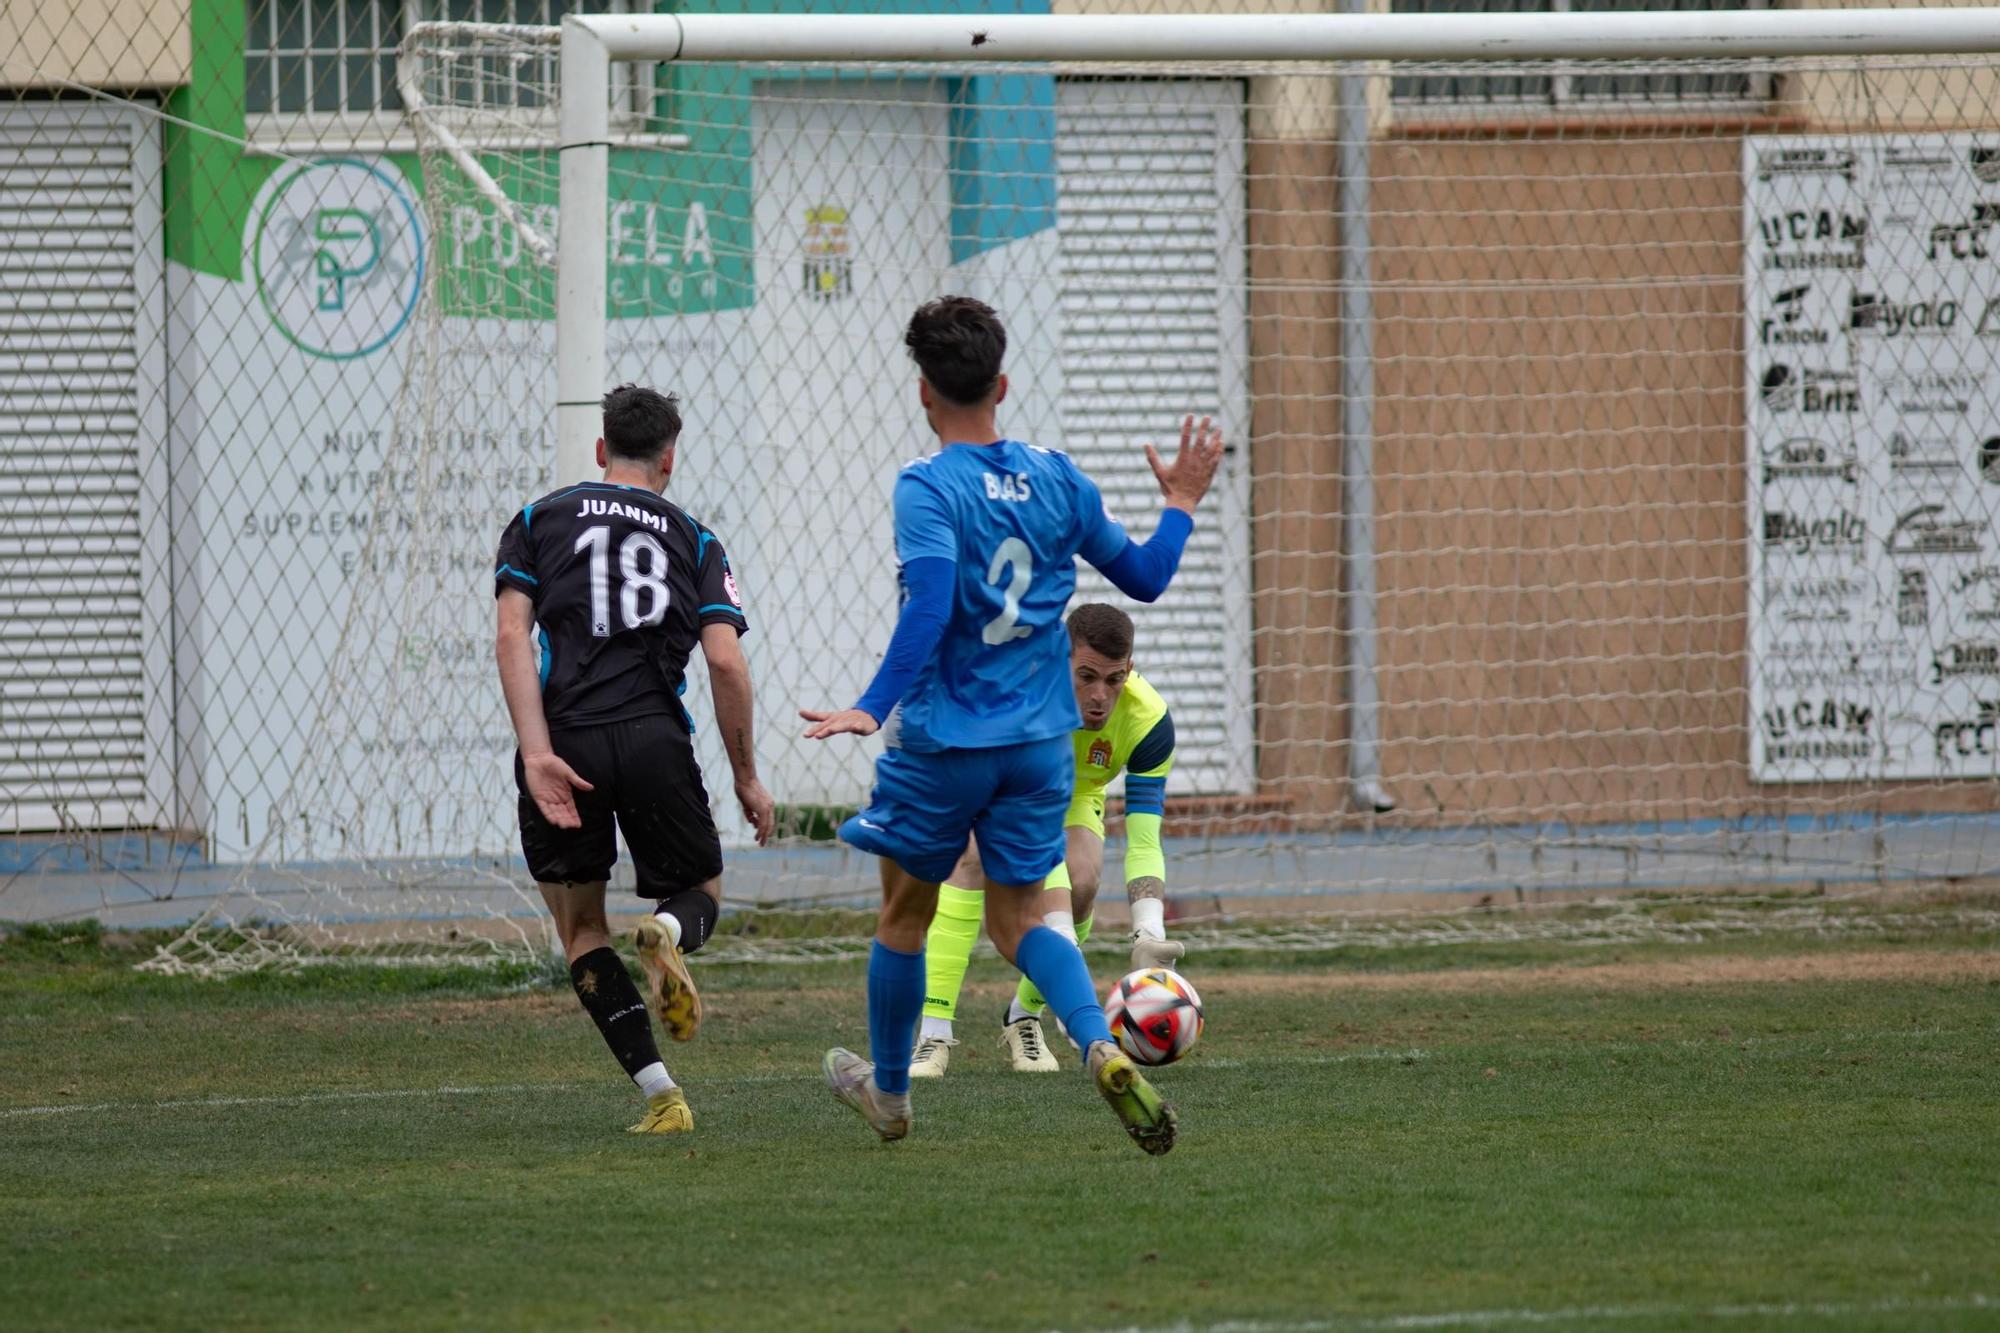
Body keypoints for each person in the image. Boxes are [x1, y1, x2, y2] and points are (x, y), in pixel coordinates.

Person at [801, 296, 1223, 1155]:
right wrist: (1179, 501)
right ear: (1003, 384)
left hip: (947, 739)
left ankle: (890, 1096)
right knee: (1023, 918)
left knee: (904, 917)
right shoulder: (1060, 478)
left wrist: (870, 706)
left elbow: (928, 607)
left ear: (924, 391)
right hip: (1038, 746)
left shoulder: (927, 486)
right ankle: (1100, 1041)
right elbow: (1142, 577)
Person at [494, 384, 775, 1135]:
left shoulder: (536, 519)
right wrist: (746, 774)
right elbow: (725, 663)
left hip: (568, 743)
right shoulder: (695, 536)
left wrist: (536, 753)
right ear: (669, 460)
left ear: (599, 451)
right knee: (700, 884)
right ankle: (672, 934)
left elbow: (511, 636)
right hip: (654, 735)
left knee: (583, 926)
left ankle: (662, 1093)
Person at [912, 602, 1182, 1077]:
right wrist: (1059, 942)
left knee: (1085, 879)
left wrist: (1148, 933)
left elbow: (1143, 837)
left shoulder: (1150, 722)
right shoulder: (1026, 698)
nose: (1100, 695)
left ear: (1129, 671)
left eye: (1114, 680)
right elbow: (1036, 835)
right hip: (1002, 781)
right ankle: (932, 1034)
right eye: (1086, 676)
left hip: (1077, 791)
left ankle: (1024, 1018)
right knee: (970, 860)